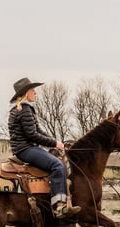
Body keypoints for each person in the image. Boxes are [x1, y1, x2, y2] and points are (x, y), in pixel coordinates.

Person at [7, 77, 81, 219]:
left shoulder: (22, 109)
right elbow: (32, 135)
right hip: (25, 149)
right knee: (57, 165)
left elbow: (39, 131)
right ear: (26, 93)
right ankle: (59, 206)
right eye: (33, 90)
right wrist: (54, 144)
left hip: (24, 148)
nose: (35, 92)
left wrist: (56, 142)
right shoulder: (24, 110)